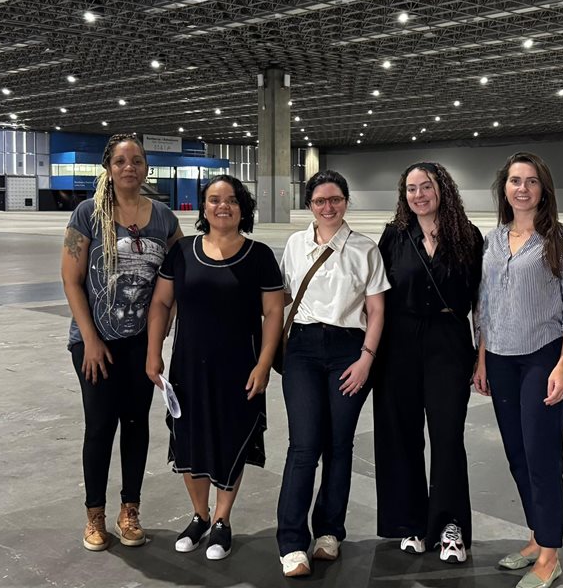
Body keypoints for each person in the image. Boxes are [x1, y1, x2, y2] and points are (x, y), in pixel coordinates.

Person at [145, 175, 285, 561]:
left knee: (230, 441)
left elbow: (273, 312)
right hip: (188, 367)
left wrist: (264, 362)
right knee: (189, 440)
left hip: (239, 368)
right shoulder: (183, 251)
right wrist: (153, 352)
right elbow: (160, 303)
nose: (223, 206)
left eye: (232, 200)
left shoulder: (259, 256)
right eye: (214, 200)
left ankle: (222, 519)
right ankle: (200, 515)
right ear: (203, 207)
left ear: (243, 208)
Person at [60, 133, 183, 552]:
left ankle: (129, 509)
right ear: (108, 168)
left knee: (135, 427)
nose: (129, 167)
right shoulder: (87, 215)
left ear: (146, 167)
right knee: (99, 427)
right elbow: (72, 280)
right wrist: (91, 340)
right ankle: (94, 515)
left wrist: (159, 340)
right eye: (120, 161)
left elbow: (177, 278)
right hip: (95, 344)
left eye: (137, 160)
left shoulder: (164, 218)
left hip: (138, 345)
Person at [472, 152, 563, 588]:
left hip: (542, 357)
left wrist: (562, 364)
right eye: (515, 180)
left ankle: (551, 553)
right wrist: (481, 358)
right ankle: (537, 536)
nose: (522, 188)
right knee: (517, 455)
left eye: (531, 181)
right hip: (499, 358)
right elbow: (484, 306)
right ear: (504, 188)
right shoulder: (493, 239)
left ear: (544, 189)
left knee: (542, 456)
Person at [276, 170, 390, 578]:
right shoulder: (295, 244)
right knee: (304, 445)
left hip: (349, 351)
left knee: (339, 445)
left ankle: (329, 532)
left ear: (346, 201)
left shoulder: (365, 249)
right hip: (303, 350)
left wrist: (366, 359)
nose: (328, 207)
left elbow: (376, 310)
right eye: (320, 200)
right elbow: (285, 294)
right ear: (309, 205)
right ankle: (291, 541)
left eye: (336, 199)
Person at [374, 161, 483, 563]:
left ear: (443, 190)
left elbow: (480, 304)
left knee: (447, 436)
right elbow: (376, 298)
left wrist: (481, 356)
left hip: (448, 344)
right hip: (398, 345)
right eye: (411, 189)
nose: (419, 195)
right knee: (401, 435)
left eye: (426, 187)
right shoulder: (393, 236)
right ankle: (410, 521)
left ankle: (450, 525)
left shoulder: (467, 237)